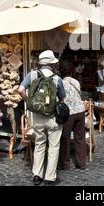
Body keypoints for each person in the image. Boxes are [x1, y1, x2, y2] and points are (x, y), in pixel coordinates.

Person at [18, 50, 66, 186]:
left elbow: (20, 90)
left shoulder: (31, 75)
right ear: (52, 63)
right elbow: (62, 99)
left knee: (39, 145)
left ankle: (37, 175)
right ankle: (49, 178)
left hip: (37, 117)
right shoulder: (57, 79)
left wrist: (29, 102)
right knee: (54, 147)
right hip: (52, 118)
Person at [59, 77, 87, 171]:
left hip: (69, 112)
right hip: (80, 110)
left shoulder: (60, 83)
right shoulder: (75, 82)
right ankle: (82, 163)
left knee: (65, 138)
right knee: (80, 138)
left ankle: (65, 164)